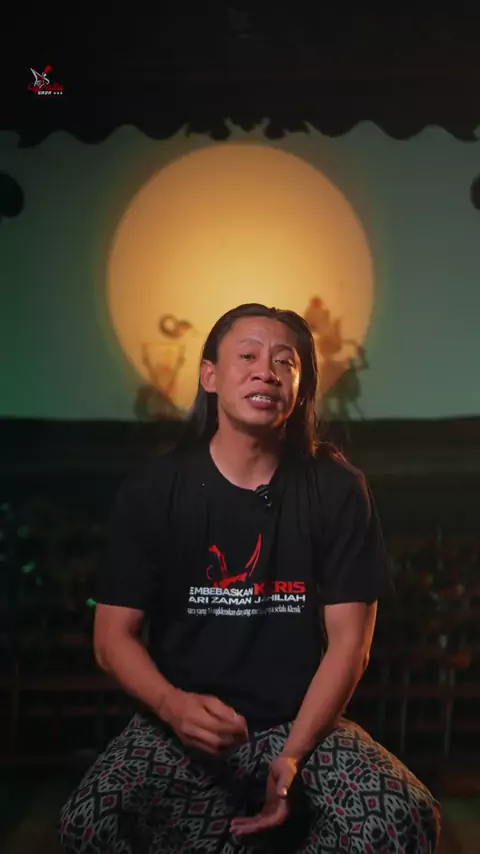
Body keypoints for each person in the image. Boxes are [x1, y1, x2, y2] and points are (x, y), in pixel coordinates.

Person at [59, 303, 441, 853]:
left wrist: (293, 754)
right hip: (180, 722)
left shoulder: (337, 489)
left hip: (300, 723)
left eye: (285, 362)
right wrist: (172, 706)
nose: (267, 371)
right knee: (89, 822)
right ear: (209, 376)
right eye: (247, 356)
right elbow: (111, 639)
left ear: (300, 390)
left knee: (404, 815)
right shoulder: (154, 491)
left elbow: (349, 646)